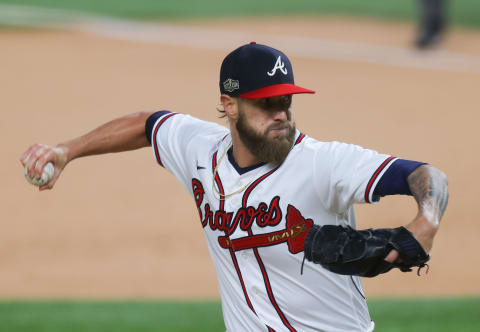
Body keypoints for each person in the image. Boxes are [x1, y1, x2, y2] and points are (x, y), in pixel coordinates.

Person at [21, 42, 448, 332]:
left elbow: (428, 176)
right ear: (229, 105)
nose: (280, 113)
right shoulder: (199, 149)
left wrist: (424, 223)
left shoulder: (324, 163)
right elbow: (147, 124)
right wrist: (67, 151)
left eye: (286, 101)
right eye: (266, 103)